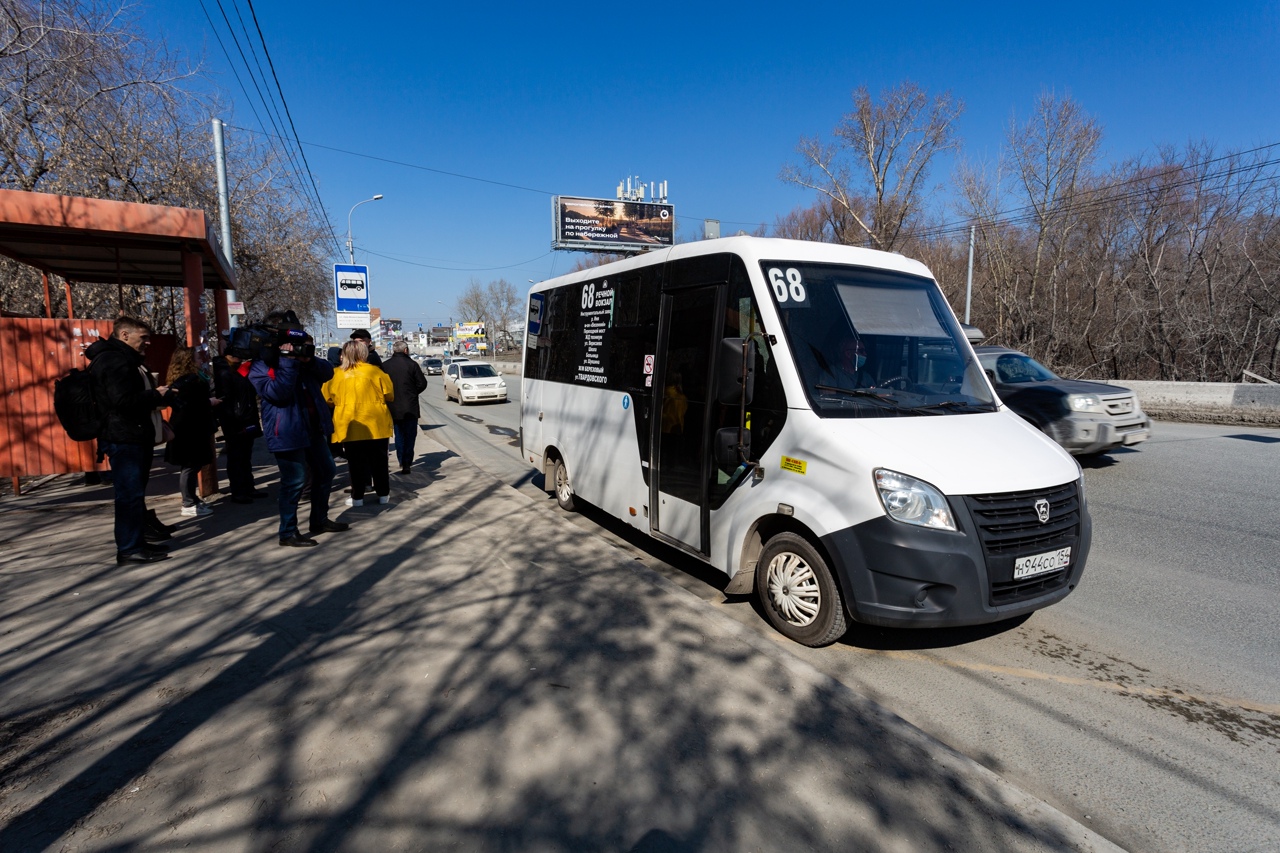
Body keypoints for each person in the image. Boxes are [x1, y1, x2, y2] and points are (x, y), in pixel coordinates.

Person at [249, 312, 349, 547]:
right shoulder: (261, 365)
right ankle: (287, 532)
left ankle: (319, 520)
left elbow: (327, 373)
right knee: (294, 481)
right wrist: (287, 361)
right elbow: (278, 394)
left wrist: (307, 359)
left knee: (326, 472)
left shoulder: (301, 360)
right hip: (286, 431)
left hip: (312, 429)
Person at [85, 316, 172, 564]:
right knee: (129, 495)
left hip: (131, 435)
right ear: (124, 335)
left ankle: (136, 542)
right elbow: (122, 401)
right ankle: (129, 549)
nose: (147, 343)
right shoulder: (114, 360)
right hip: (124, 437)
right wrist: (155, 394)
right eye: (143, 338)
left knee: (134, 494)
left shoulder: (122, 358)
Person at [323, 340, 394, 506]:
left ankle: (358, 497)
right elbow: (389, 394)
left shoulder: (335, 374)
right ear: (364, 354)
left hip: (349, 424)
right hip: (377, 422)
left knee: (355, 463)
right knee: (380, 461)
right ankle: (383, 494)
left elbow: (327, 398)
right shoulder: (375, 372)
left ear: (344, 355)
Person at [164, 346, 218, 517]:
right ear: (188, 361)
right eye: (196, 358)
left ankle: (191, 499)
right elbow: (192, 405)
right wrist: (209, 402)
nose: (200, 360)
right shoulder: (191, 381)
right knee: (190, 465)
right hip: (190, 429)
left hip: (186, 427)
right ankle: (188, 502)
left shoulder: (179, 379)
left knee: (192, 465)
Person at [212, 339, 263, 504]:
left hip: (244, 418)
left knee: (245, 456)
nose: (241, 358)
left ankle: (248, 487)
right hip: (235, 421)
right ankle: (239, 491)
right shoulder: (224, 372)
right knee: (236, 458)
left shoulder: (235, 371)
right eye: (239, 355)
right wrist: (233, 420)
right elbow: (226, 400)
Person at [382, 340, 428, 474]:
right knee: (410, 435)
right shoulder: (412, 365)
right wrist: (412, 393)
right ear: (406, 350)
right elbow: (422, 383)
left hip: (392, 407)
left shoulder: (385, 366)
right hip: (410, 406)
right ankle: (407, 461)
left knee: (399, 435)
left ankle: (402, 460)